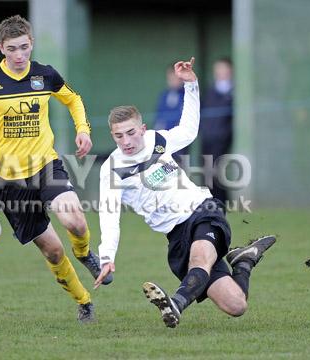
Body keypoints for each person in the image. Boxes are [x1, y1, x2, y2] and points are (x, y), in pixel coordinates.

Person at [94, 57, 276, 328]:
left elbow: (189, 131)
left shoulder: (157, 140)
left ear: (142, 129)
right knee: (236, 305)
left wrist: (191, 86)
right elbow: (109, 216)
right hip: (175, 235)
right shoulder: (112, 170)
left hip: (202, 210)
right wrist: (107, 256)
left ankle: (175, 305)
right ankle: (243, 261)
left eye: (131, 133)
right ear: (112, 136)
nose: (126, 141)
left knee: (200, 258)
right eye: (118, 136)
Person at [0, 15, 112, 323]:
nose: (19, 55)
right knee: (53, 252)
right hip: (9, 179)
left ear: (32, 44)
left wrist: (83, 129)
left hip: (45, 165)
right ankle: (84, 301)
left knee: (76, 222)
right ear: (1, 47)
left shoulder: (45, 74)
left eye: (24, 47)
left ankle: (84, 254)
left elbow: (74, 99)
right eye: (12, 49)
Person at [199, 58, 233, 203]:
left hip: (222, 139)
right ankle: (210, 202)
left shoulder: (234, 92)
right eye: (218, 69)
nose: (220, 72)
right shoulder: (210, 92)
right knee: (207, 171)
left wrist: (224, 134)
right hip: (207, 138)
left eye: (223, 68)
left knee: (218, 172)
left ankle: (222, 202)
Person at [154, 64, 188, 157]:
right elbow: (159, 116)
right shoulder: (164, 95)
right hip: (163, 137)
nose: (172, 81)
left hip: (179, 138)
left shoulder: (187, 95)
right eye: (170, 78)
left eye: (175, 78)